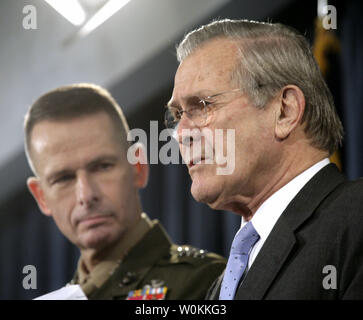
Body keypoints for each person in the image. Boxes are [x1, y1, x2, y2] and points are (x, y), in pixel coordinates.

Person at [165, 19, 363, 299]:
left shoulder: (356, 219)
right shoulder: (222, 285)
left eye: (202, 106)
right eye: (177, 115)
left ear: (284, 111)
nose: (181, 133)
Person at [24, 83, 225, 300]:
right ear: (41, 197)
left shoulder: (205, 281)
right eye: (63, 178)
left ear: (138, 167)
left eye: (102, 166)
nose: (86, 195)